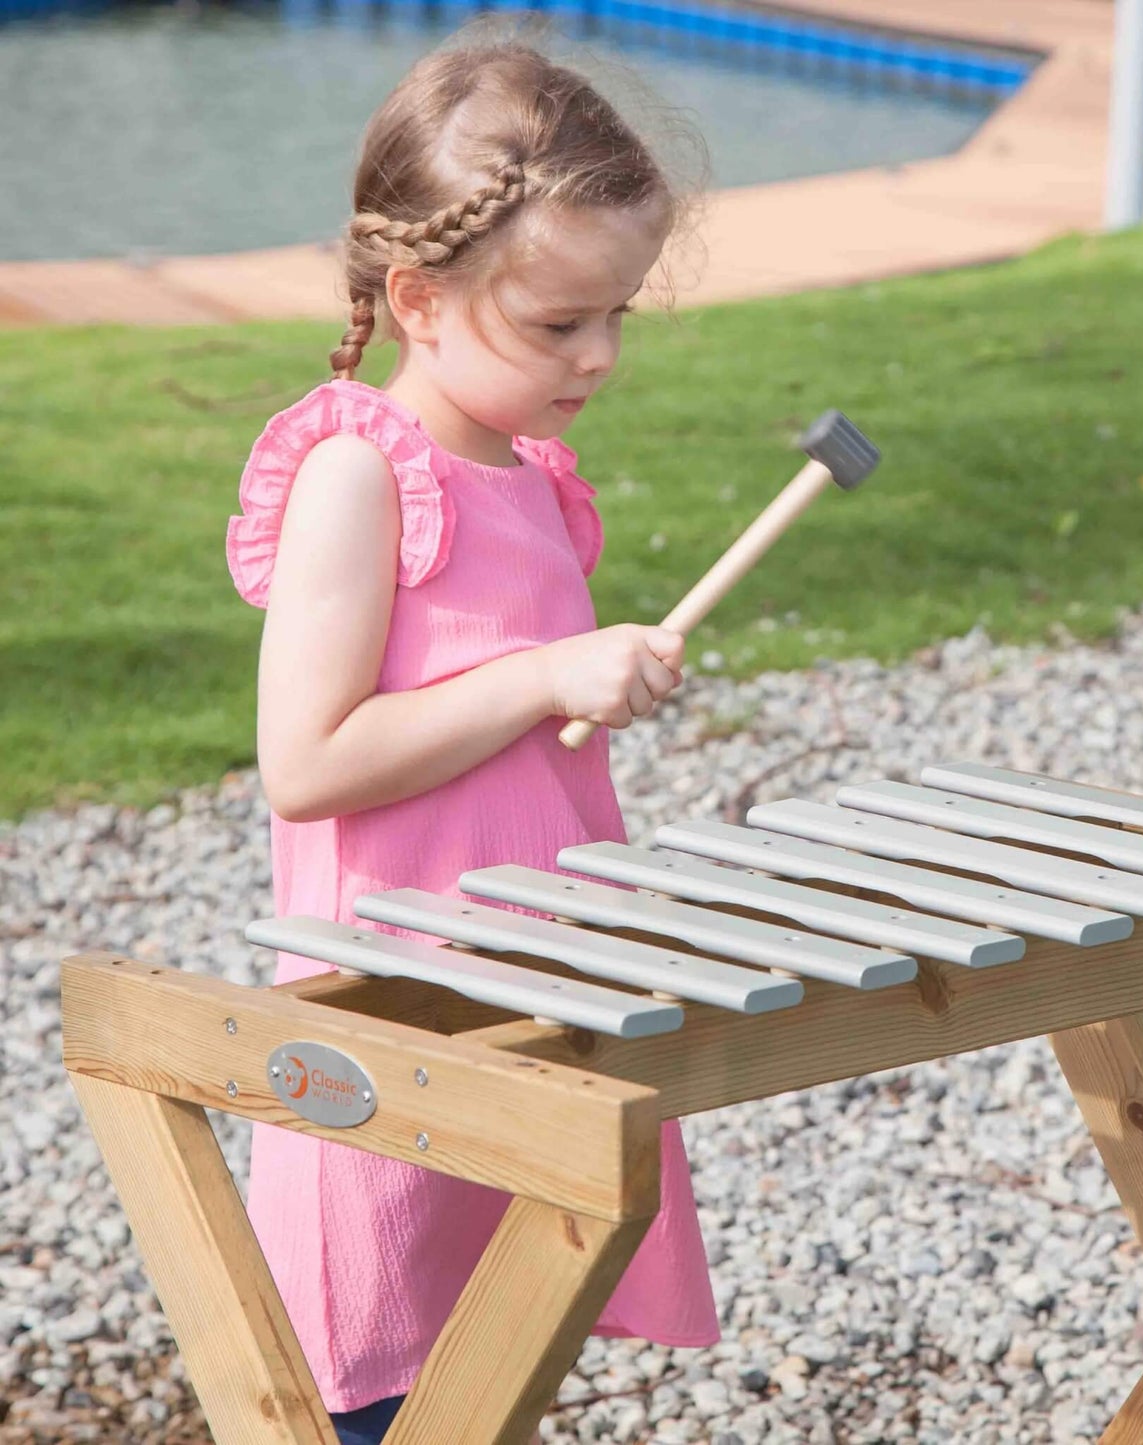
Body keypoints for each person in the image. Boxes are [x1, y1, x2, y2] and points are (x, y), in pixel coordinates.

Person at [224, 33, 719, 1445]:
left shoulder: (536, 483)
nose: (603, 355)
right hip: (397, 1020)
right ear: (419, 298)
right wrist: (542, 672)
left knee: (502, 1353)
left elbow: (521, 733)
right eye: (559, 323)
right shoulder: (356, 476)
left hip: (530, 993)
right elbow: (307, 761)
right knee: (380, 1379)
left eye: (616, 313)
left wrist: (588, 682)